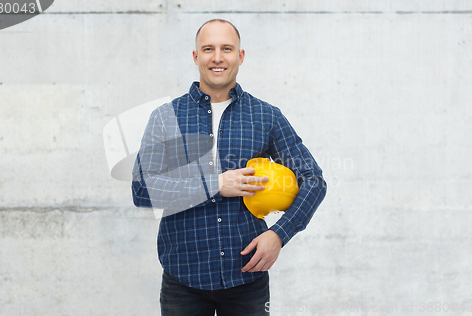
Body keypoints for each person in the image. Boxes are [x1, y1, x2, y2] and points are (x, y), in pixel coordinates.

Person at [132, 19, 327, 316]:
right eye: (208, 49)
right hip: (183, 278)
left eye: (227, 48)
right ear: (196, 57)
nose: (218, 57)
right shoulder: (165, 117)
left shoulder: (266, 116)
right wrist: (215, 184)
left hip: (246, 278)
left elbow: (313, 179)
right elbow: (142, 189)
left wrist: (279, 235)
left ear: (241, 56)